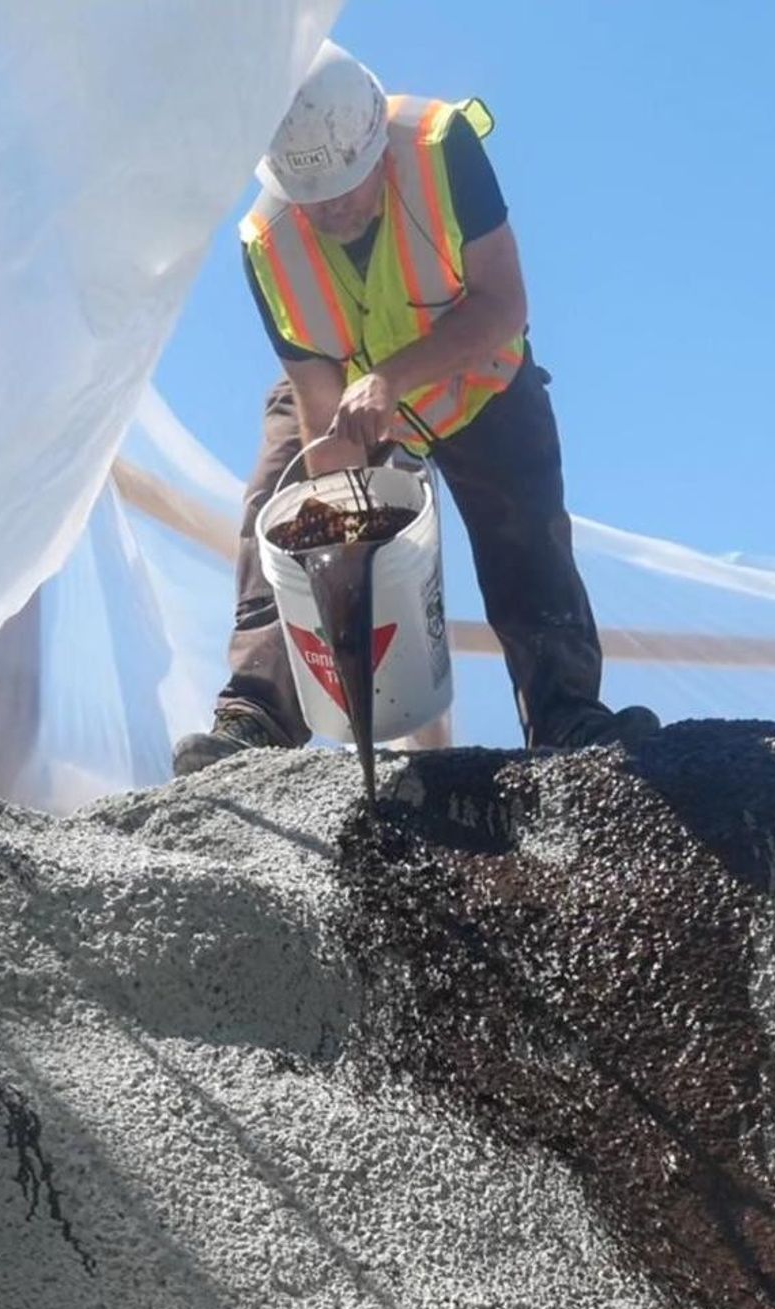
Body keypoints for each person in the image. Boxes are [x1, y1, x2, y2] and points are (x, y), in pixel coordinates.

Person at [172, 41, 659, 775]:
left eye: (348, 185)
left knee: (525, 527)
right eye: (315, 195)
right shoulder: (266, 243)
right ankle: (258, 715)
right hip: (346, 398)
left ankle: (566, 716)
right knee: (283, 504)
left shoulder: (440, 149)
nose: (332, 206)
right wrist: (339, 509)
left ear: (377, 148)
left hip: (474, 372)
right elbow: (315, 400)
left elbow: (504, 303)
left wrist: (394, 380)